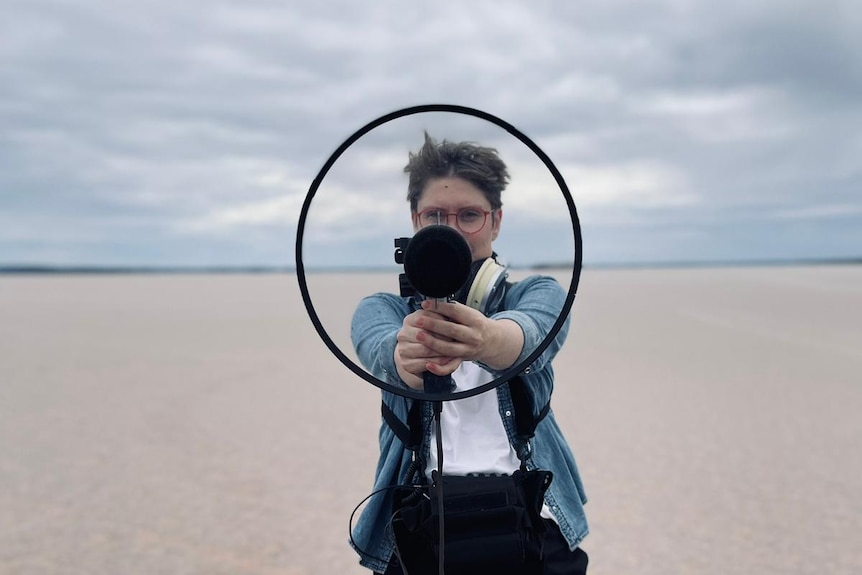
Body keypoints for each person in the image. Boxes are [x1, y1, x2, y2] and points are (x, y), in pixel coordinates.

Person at [350, 133, 589, 574]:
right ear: (415, 220)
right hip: (417, 525)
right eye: (436, 214)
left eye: (470, 215)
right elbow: (385, 350)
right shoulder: (380, 309)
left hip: (534, 521)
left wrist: (487, 341)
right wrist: (410, 360)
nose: (453, 227)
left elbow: (532, 335)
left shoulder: (537, 292)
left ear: (496, 222)